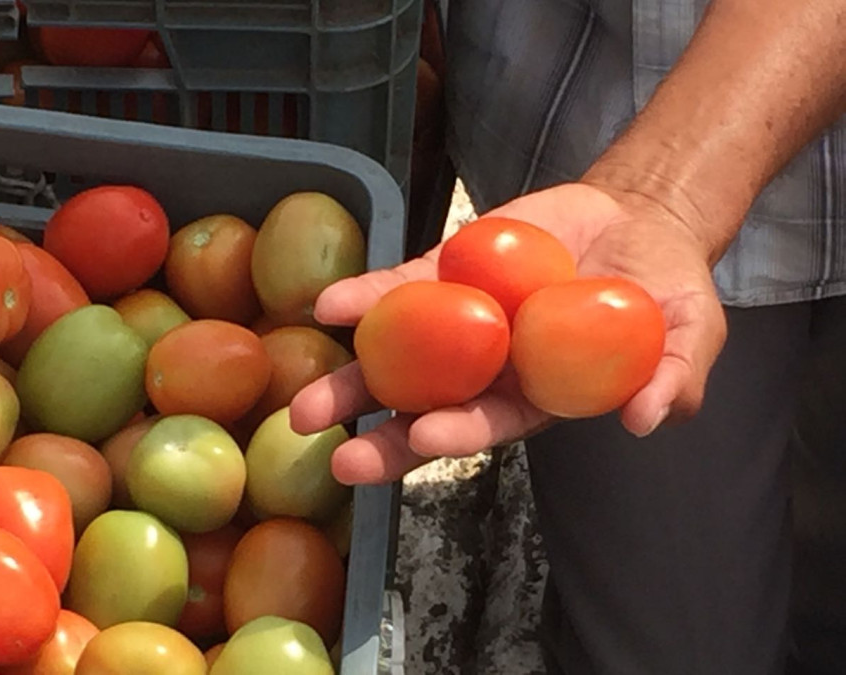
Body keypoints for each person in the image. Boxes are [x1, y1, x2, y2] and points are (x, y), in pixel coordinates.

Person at [290, 1, 846, 673]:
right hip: (594, 132)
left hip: (617, 199)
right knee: (680, 642)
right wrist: (661, 196)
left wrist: (664, 194)